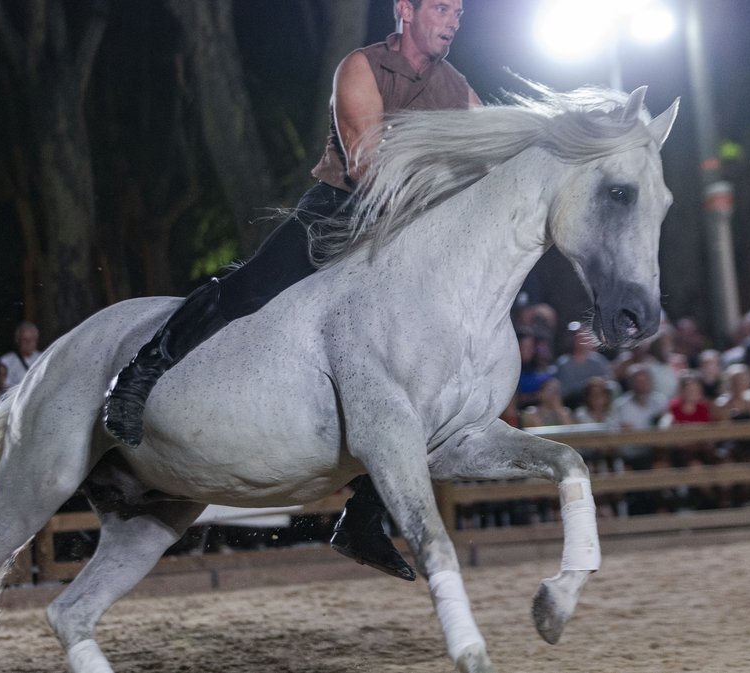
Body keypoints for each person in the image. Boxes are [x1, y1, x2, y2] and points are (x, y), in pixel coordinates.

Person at [104, 0, 479, 581]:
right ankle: (139, 376)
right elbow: (368, 167)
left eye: (460, 10)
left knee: (424, 370)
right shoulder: (361, 66)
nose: (454, 18)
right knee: (249, 287)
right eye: (441, 7)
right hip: (338, 217)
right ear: (405, 9)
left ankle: (361, 519)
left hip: (409, 235)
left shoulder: (458, 87)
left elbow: (490, 156)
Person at [0, 321, 43, 390]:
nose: (28, 343)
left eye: (32, 339)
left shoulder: (43, 358)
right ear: (17, 340)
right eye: (25, 339)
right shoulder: (6, 361)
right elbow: (5, 386)